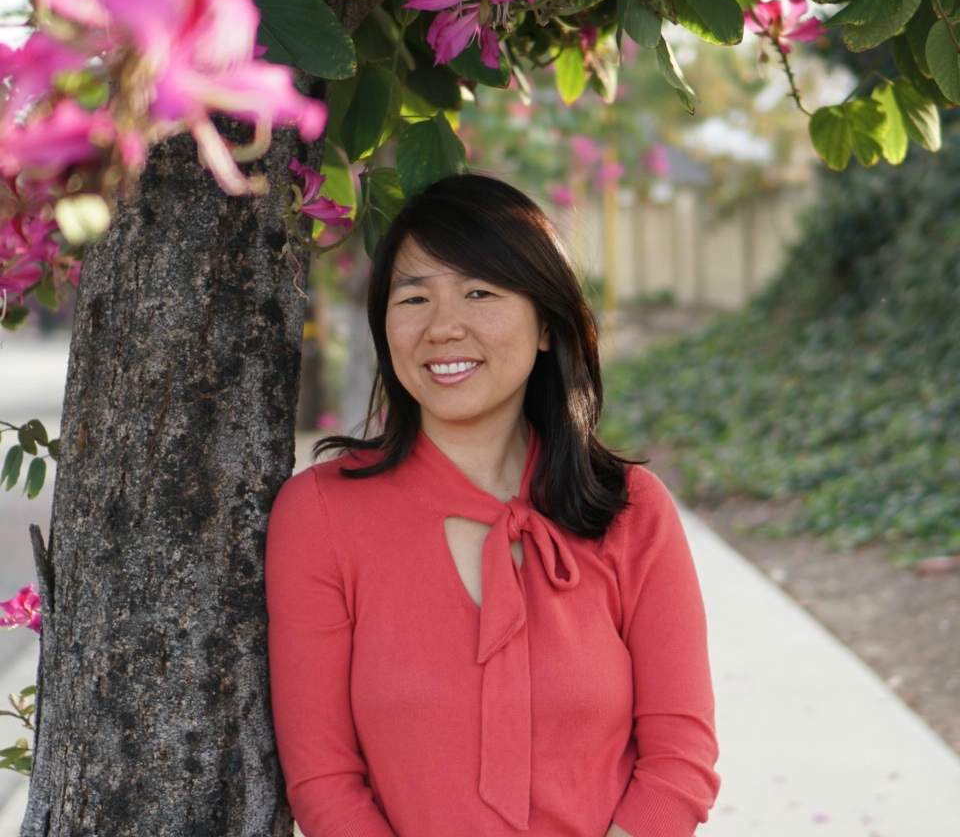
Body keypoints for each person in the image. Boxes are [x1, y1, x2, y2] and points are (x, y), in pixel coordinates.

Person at [266, 173, 720, 837]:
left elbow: (681, 758)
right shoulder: (321, 516)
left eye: (480, 293)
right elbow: (324, 781)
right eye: (414, 297)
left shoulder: (630, 509)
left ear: (544, 325)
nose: (444, 326)